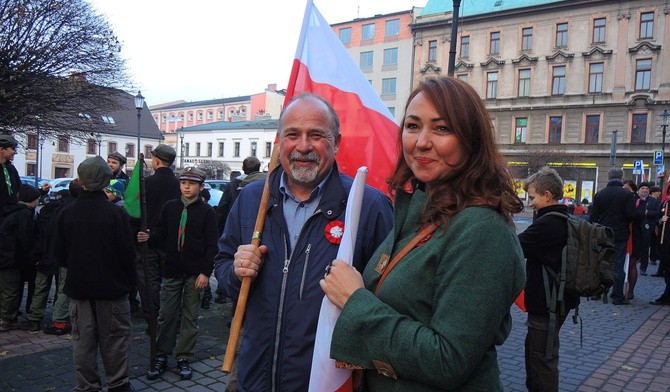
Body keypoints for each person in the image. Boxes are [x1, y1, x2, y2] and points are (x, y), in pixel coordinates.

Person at [320, 77, 525, 391]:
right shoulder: (420, 209)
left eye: (442, 128)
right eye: (413, 126)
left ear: (471, 139)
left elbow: (448, 360)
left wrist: (354, 300)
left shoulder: (483, 230)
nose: (421, 141)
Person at [214, 92, 393, 391]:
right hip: (255, 378)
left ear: (336, 142)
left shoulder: (368, 205)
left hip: (325, 382)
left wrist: (358, 297)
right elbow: (222, 262)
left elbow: (389, 297)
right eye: (293, 134)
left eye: (316, 135)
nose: (303, 146)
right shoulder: (251, 200)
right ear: (279, 141)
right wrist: (235, 271)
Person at [52, 156, 136, 392]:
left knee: (83, 342)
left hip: (80, 289)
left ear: (80, 181)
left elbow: (59, 255)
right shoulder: (116, 214)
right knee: (116, 341)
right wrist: (129, 283)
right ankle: (118, 384)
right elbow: (128, 255)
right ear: (107, 181)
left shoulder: (66, 213)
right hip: (112, 289)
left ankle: (87, 386)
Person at [139, 167, 218, 381]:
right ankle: (161, 354)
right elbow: (161, 233)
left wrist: (205, 272)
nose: (186, 187)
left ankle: (184, 355)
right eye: (183, 183)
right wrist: (148, 236)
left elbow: (212, 246)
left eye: (191, 183)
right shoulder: (170, 207)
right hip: (172, 269)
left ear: (200, 187)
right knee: (166, 315)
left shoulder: (207, 212)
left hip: (195, 273)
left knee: (190, 316)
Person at [517, 167, 578, 392]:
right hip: (557, 301)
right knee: (540, 355)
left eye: (532, 197)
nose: (530, 202)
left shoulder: (548, 224)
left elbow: (515, 248)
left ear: (547, 195)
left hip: (546, 304)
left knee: (542, 361)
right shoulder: (565, 218)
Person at [135, 144, 180, 326]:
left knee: (149, 282)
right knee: (171, 282)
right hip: (173, 240)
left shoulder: (147, 183)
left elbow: (135, 212)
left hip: (148, 240)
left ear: (156, 160)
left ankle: (153, 320)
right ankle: (172, 320)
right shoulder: (179, 184)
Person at [589, 168, 636, 305]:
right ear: (621, 178)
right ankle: (617, 296)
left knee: (601, 263)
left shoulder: (600, 194)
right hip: (620, 234)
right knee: (618, 265)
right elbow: (631, 215)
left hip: (602, 233)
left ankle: (597, 292)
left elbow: (593, 216)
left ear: (608, 178)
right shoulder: (627, 195)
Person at [0, 185, 40, 332]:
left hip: (6, 256)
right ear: (32, 201)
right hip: (11, 258)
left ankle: (7, 315)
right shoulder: (24, 214)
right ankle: (7, 319)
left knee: (6, 287)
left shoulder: (12, 210)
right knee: (11, 289)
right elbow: (25, 239)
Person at [43, 181, 81, 335]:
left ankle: (62, 319)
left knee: (63, 288)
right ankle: (59, 321)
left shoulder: (63, 208)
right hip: (71, 256)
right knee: (65, 289)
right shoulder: (73, 209)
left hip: (63, 255)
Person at [632, 182, 660, 278]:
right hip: (634, 225)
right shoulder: (633, 199)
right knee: (635, 245)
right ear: (639, 190)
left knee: (645, 246)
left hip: (647, 226)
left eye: (646, 188)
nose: (645, 190)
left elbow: (657, 213)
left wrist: (648, 213)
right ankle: (633, 262)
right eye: (643, 188)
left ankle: (643, 267)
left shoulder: (653, 200)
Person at [651, 181, 670, 305]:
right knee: (667, 271)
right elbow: (658, 217)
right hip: (665, 242)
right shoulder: (666, 203)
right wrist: (660, 220)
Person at [0, 134, 21, 215]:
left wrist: (41, 191)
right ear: (2, 149)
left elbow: (20, 190)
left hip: (10, 214)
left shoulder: (11, 168)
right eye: (13, 149)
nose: (15, 152)